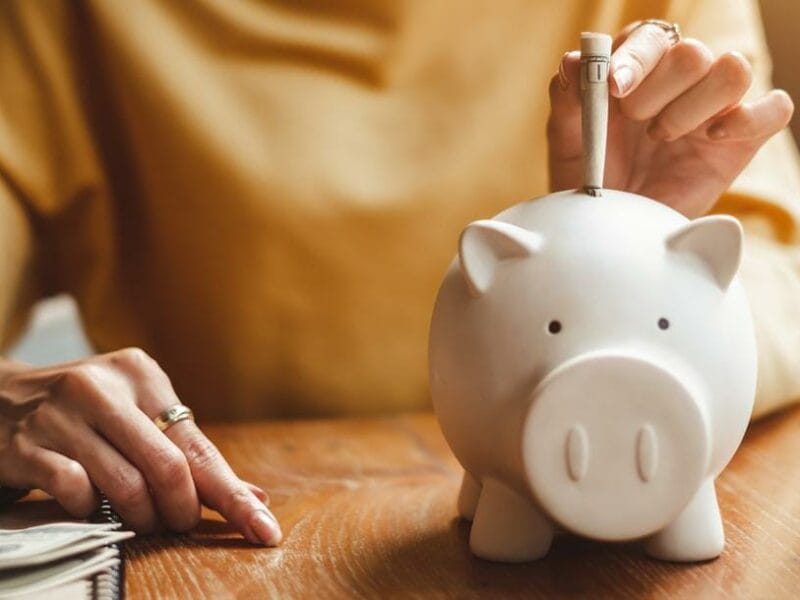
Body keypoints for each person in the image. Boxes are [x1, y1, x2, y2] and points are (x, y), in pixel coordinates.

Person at [1, 0, 798, 547]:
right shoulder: (58, 18)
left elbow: (781, 276)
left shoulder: (658, 24)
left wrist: (637, 272)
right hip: (230, 526)